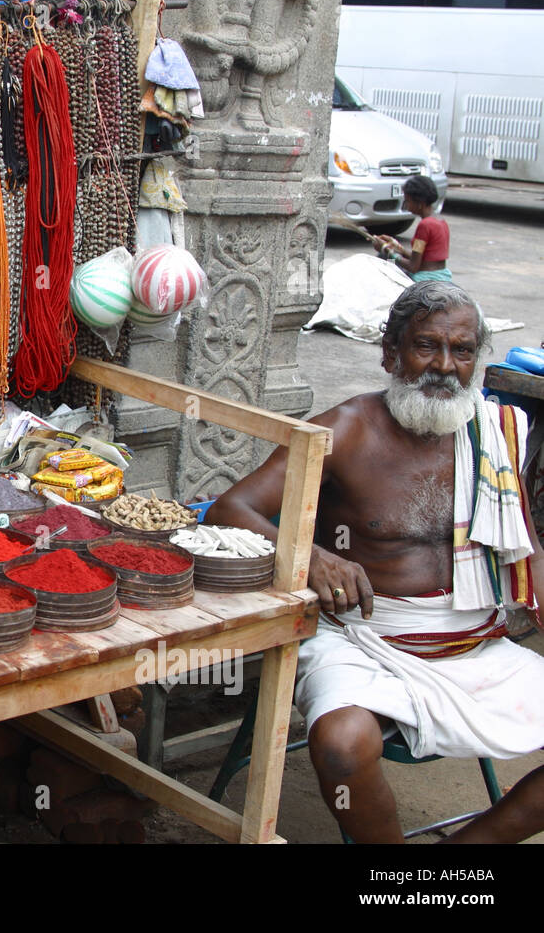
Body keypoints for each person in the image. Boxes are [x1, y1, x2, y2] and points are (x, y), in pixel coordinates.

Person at [208, 281, 544, 843]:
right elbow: (226, 510)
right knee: (342, 746)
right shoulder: (344, 429)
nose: (444, 366)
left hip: (474, 643)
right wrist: (308, 555)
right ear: (390, 353)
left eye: (462, 351)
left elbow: (526, 545)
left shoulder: (494, 434)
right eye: (426, 346)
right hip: (361, 639)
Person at [372, 174, 451, 281]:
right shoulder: (441, 222)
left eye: (408, 201)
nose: (406, 205)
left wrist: (387, 251)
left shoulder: (425, 225)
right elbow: (422, 258)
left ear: (420, 203)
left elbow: (413, 266)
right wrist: (398, 248)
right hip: (442, 274)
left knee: (384, 260)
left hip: (425, 278)